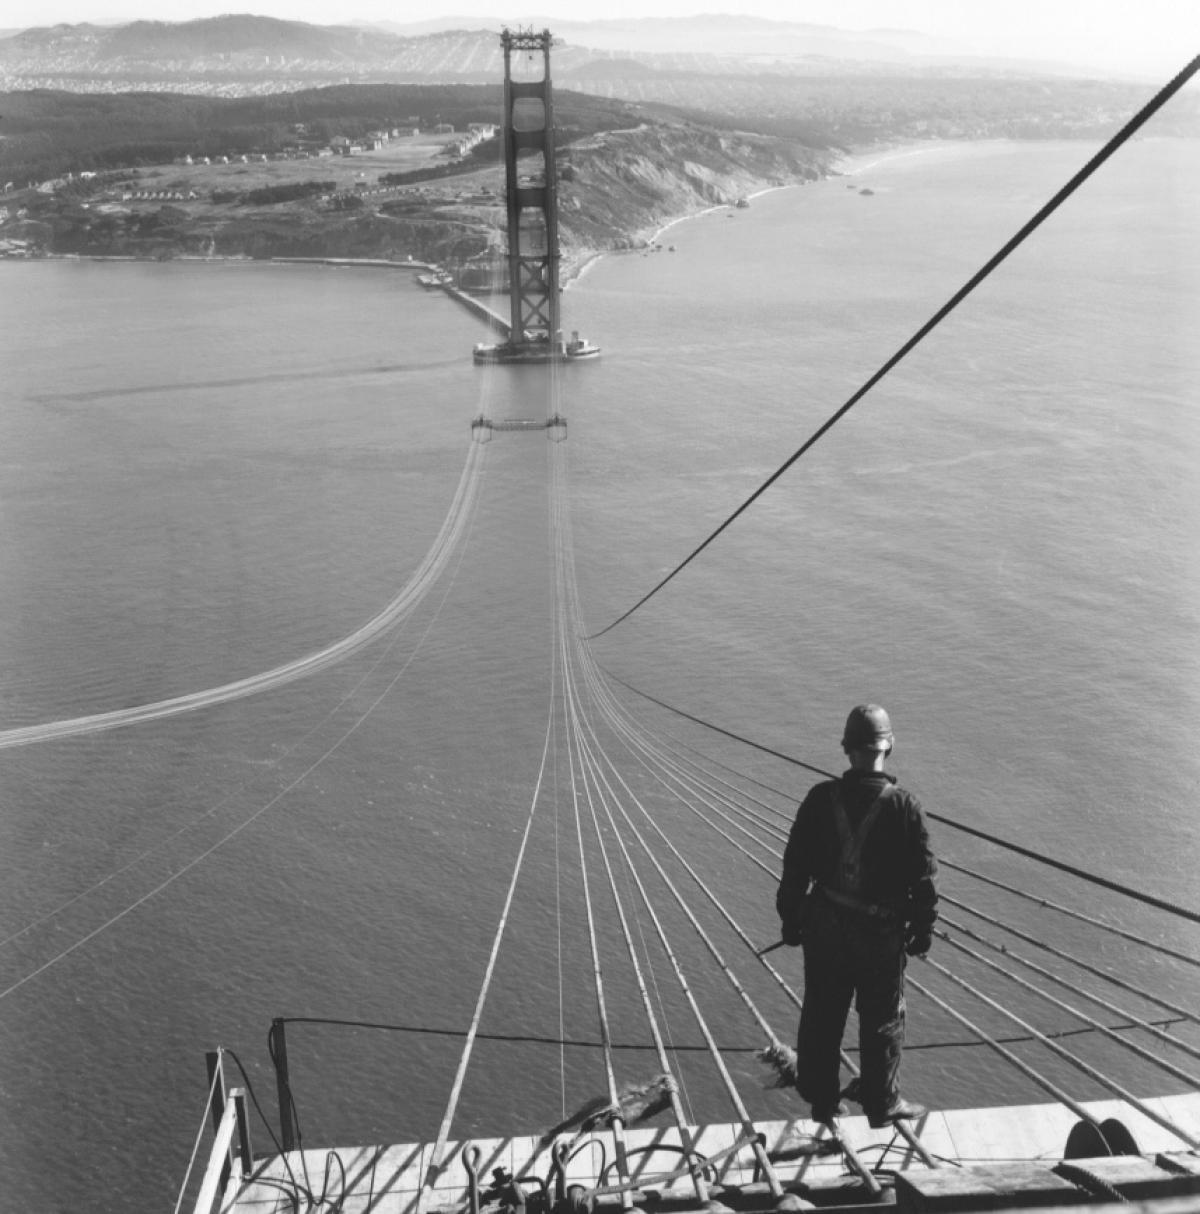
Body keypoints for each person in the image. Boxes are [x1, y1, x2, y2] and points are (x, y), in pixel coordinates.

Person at [776, 704, 938, 1126]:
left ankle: (823, 1102)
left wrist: (790, 920)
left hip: (825, 930)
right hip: (879, 938)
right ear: (890, 747)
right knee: (883, 1019)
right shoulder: (906, 808)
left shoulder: (818, 799)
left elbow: (794, 867)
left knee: (821, 1015)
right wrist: (922, 931)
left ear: (846, 750)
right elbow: (923, 882)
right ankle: (882, 1104)